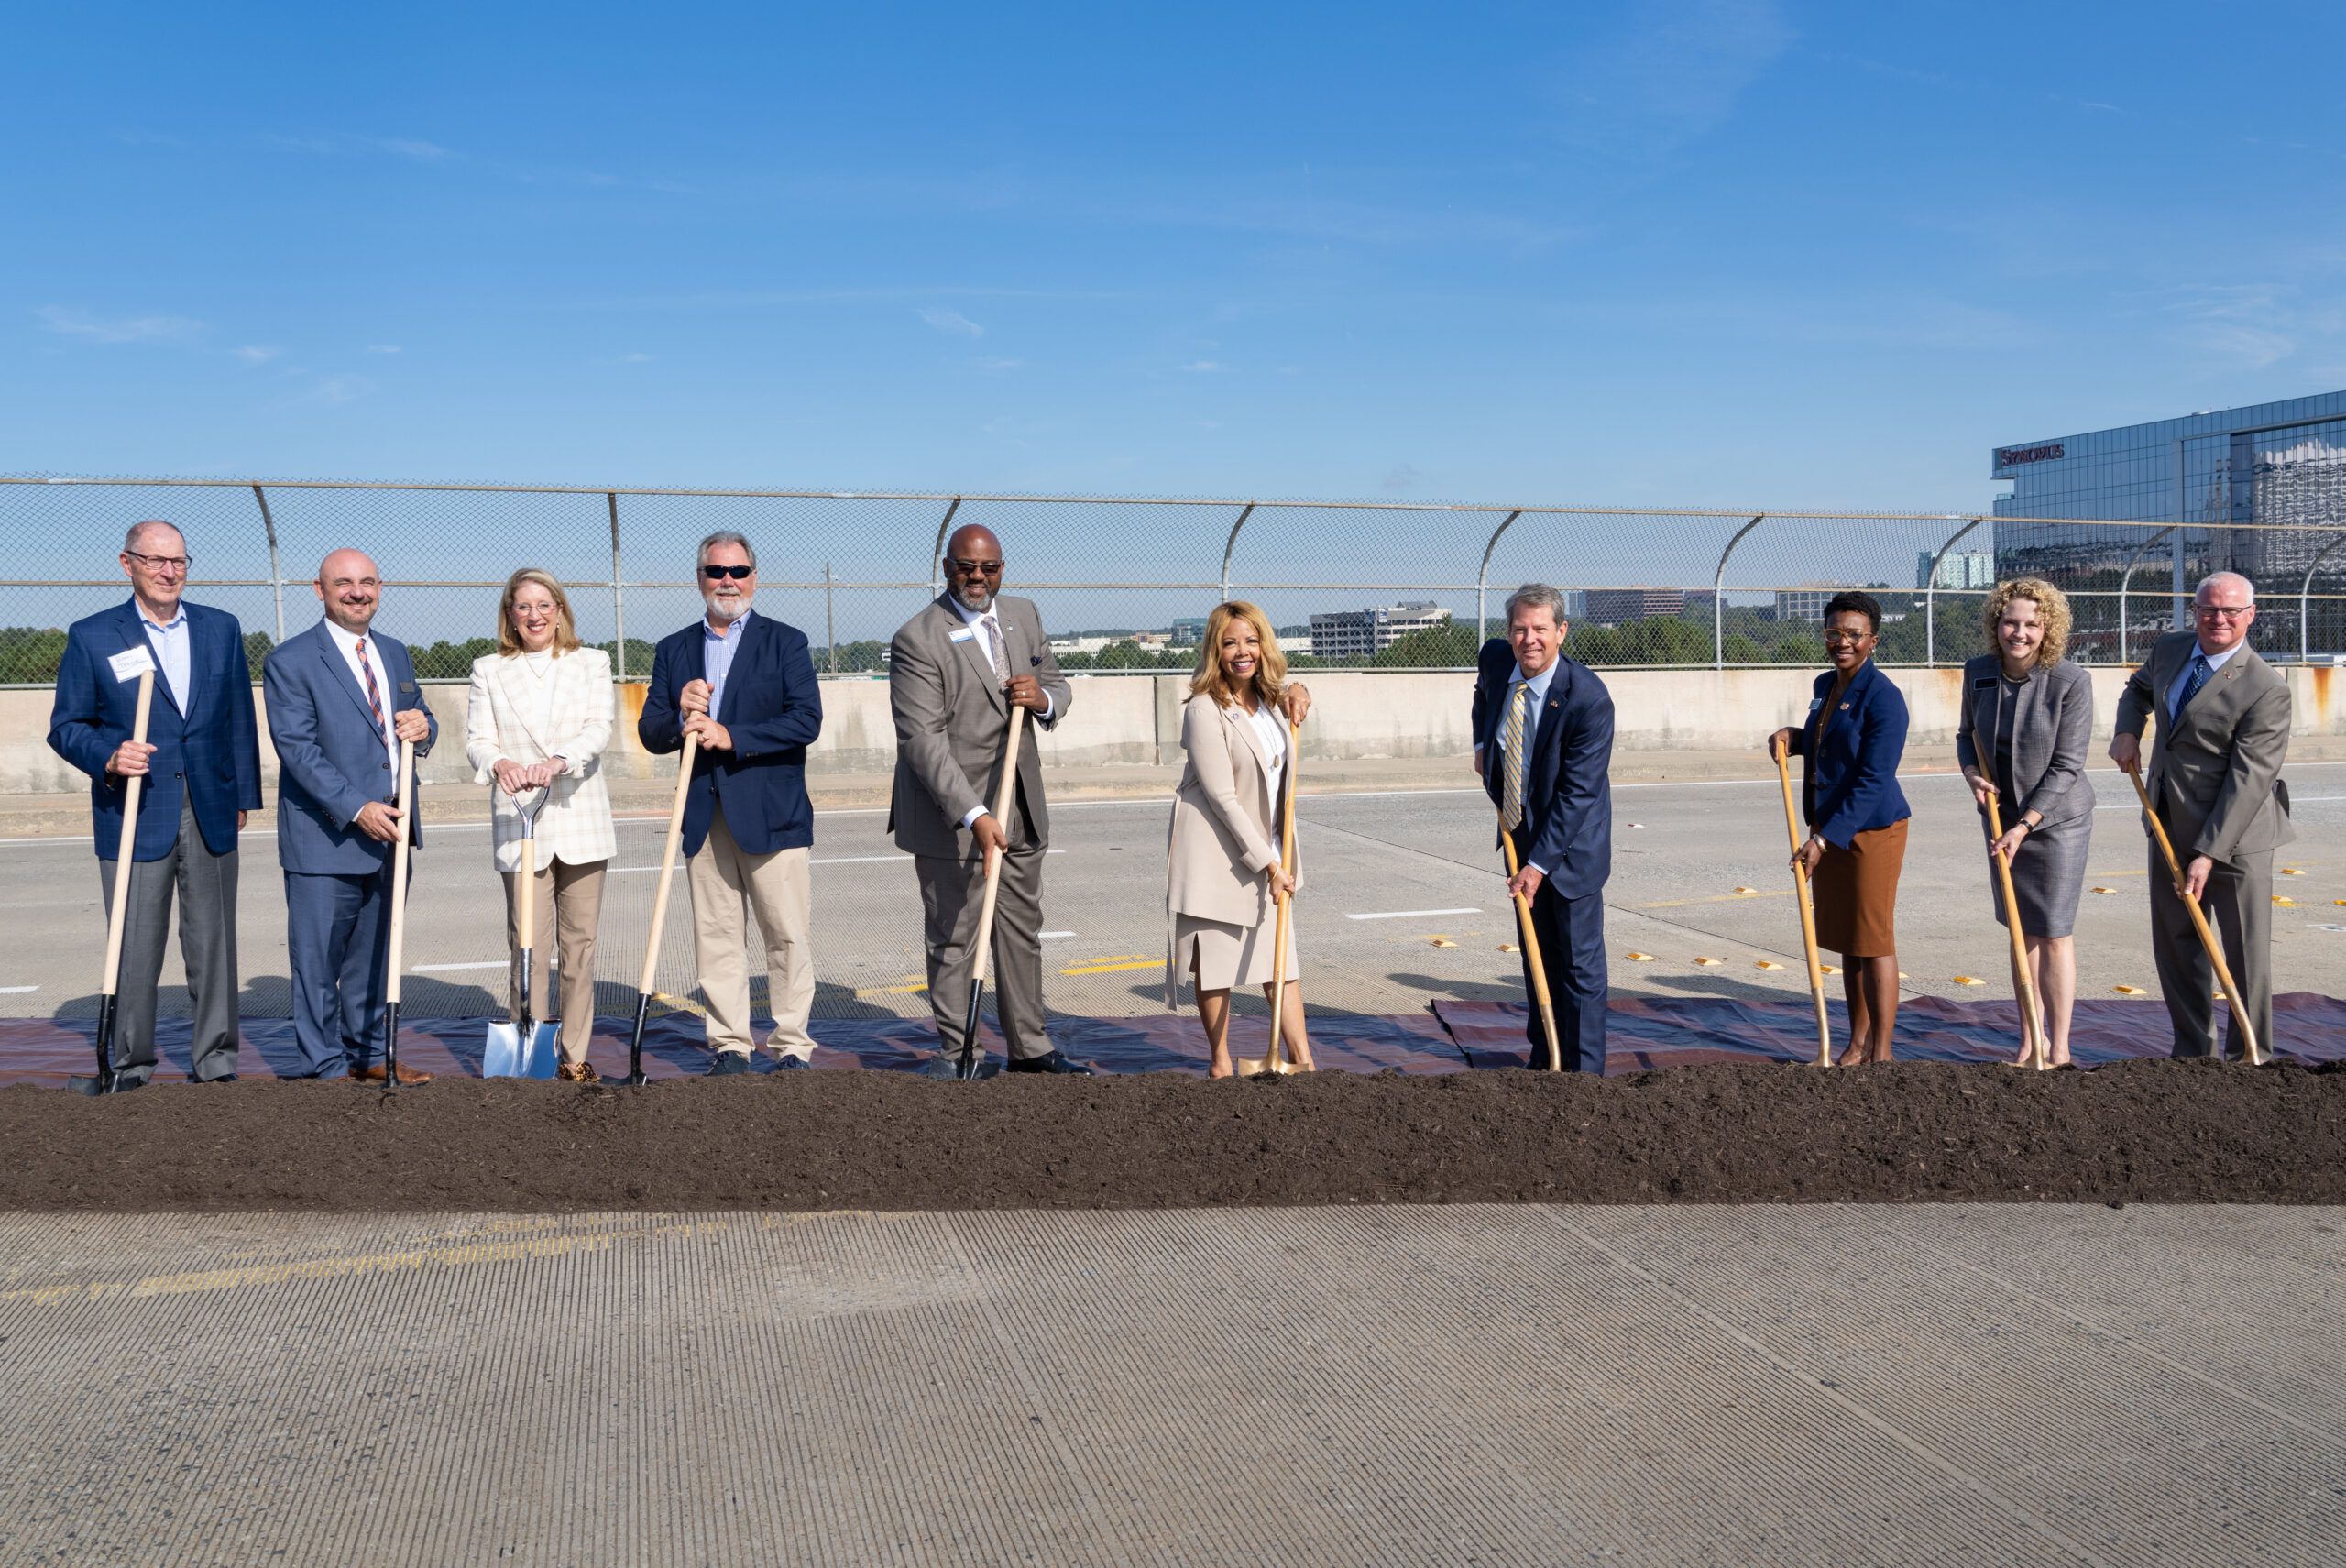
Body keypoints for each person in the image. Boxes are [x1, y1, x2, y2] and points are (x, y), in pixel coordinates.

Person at [45, 521, 262, 1089]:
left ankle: (215, 1060)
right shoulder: (95, 635)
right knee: (135, 945)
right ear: (127, 564)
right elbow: (66, 726)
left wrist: (243, 796)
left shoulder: (220, 628)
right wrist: (110, 756)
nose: (169, 572)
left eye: (180, 562)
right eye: (156, 561)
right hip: (136, 812)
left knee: (213, 941)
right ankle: (130, 1061)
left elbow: (239, 715)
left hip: (212, 807)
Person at [887, 522, 1088, 1075]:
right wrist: (973, 813)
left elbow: (1058, 682)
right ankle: (962, 1053)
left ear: (1002, 568)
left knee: (1020, 932)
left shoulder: (1022, 615)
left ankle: (1030, 1047)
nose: (977, 577)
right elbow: (921, 740)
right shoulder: (919, 637)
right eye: (965, 566)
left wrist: (1044, 697)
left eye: (989, 567)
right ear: (946, 567)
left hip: (1020, 806)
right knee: (955, 936)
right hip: (951, 815)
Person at [638, 531, 825, 1076]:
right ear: (699, 578)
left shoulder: (785, 642)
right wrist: (678, 715)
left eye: (738, 571)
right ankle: (730, 1045)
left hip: (772, 813)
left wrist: (732, 736)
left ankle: (791, 1044)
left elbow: (805, 720)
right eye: (717, 572)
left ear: (754, 577)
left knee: (786, 935)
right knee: (717, 938)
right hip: (704, 813)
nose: (728, 581)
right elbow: (651, 731)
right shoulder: (673, 649)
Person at [263, 548, 438, 1082]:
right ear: (320, 591)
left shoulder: (394, 652)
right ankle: (325, 1067)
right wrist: (356, 807)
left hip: (392, 832)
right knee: (318, 963)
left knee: (374, 958)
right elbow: (298, 749)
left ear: (379, 588)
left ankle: (367, 1055)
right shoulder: (290, 661)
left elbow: (417, 715)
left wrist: (425, 728)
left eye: (368, 582)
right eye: (344, 583)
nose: (357, 592)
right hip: (327, 836)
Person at [2110, 570, 2294, 1058]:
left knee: (2243, 954)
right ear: (2194, 611)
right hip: (2168, 821)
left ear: (2250, 615)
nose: (2219, 619)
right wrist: (2128, 728)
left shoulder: (2265, 688)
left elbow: (2248, 780)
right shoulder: (2171, 649)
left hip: (2236, 838)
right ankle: (2192, 1053)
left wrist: (2209, 853)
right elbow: (2138, 689)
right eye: (2209, 609)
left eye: (2231, 611)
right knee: (2177, 944)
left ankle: (2250, 1056)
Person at [465, 569, 616, 1084]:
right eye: (524, 606)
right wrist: (500, 763)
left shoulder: (591, 662)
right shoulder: (488, 669)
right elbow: (477, 740)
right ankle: (528, 1043)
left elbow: (599, 728)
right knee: (526, 943)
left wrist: (558, 760)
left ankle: (573, 1056)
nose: (535, 616)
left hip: (578, 817)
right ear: (510, 613)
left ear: (560, 610)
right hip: (518, 817)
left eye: (544, 605)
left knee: (579, 947)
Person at [1164, 601, 1317, 1077]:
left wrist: (1299, 690)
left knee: (1280, 960)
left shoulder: (1274, 705)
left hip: (1268, 845)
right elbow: (1223, 798)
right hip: (1216, 852)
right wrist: (1268, 864)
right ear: (1215, 649)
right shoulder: (1204, 711)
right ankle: (1221, 1063)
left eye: (1251, 641)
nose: (1242, 651)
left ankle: (1304, 1061)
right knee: (1215, 961)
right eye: (1230, 643)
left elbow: (1277, 777)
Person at [1470, 584, 1615, 1073]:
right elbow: (1482, 694)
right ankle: (1545, 1058)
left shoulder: (1588, 699)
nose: (1529, 640)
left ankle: (1585, 1072)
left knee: (1578, 968)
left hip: (1571, 847)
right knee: (1537, 960)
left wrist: (1537, 865)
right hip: (1520, 832)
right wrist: (1481, 743)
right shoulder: (1495, 659)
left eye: (1540, 630)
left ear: (1561, 632)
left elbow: (1578, 796)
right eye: (1520, 629)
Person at [1764, 590, 1909, 1068]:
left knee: (1873, 940)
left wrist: (1824, 839)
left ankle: (1881, 1055)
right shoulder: (1827, 685)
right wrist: (1796, 737)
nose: (1842, 641)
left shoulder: (1885, 699)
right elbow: (1832, 741)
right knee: (1848, 941)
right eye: (1834, 632)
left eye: (1853, 634)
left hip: (1871, 830)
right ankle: (1855, 1043)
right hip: (1831, 827)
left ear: (1873, 641)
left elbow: (1873, 778)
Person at [1957, 578, 2094, 1067]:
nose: (2020, 633)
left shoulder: (2070, 681)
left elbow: (2067, 764)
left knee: (2053, 931)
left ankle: (2060, 1046)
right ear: (1997, 623)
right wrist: (1973, 775)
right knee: (2020, 932)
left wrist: (2026, 824)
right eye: (2011, 622)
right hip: (2000, 819)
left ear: (2048, 629)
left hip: (2055, 821)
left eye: (2032, 624)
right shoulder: (1977, 672)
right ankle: (2029, 1039)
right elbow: (1965, 737)